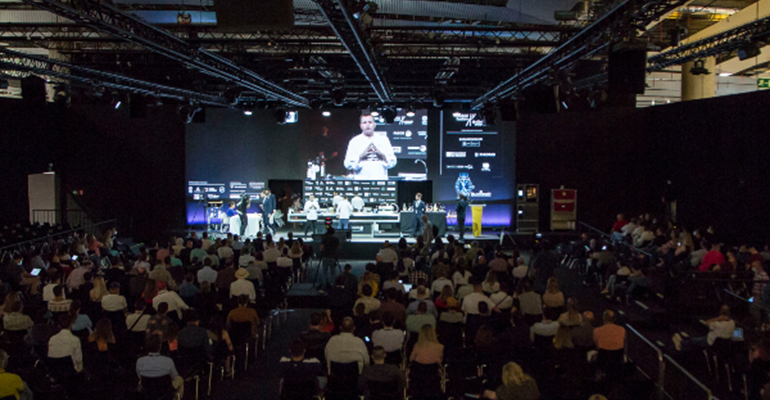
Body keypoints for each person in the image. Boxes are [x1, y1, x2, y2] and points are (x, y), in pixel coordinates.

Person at [343, 112, 397, 180]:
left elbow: (393, 162)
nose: (367, 125)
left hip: (380, 181)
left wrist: (382, 156)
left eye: (370, 122)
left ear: (374, 124)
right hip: (361, 182)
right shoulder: (354, 141)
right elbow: (347, 164)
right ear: (361, 125)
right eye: (364, 123)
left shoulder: (383, 140)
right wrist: (361, 156)